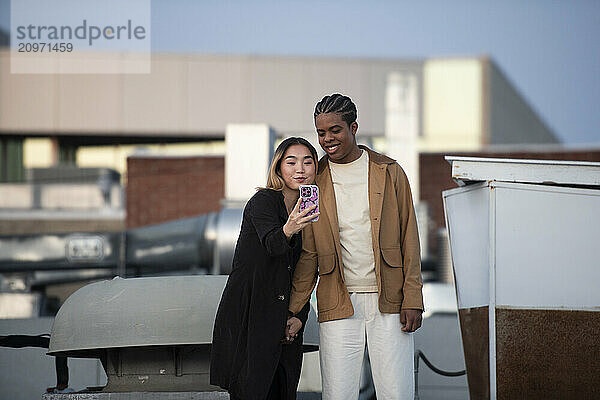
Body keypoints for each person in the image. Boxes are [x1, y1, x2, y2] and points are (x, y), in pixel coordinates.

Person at [287, 94, 424, 400]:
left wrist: (413, 296)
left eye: (335, 130)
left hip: (389, 300)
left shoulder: (389, 171)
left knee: (397, 393)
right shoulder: (313, 182)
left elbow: (409, 238)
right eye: (321, 133)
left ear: (354, 127)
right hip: (338, 299)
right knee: (338, 394)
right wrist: (294, 308)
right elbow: (308, 253)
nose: (327, 139)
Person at [210, 137, 320, 400]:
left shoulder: (312, 210)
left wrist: (299, 316)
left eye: (308, 162)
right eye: (291, 162)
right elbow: (272, 245)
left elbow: (304, 270)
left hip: (286, 315)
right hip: (252, 312)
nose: (300, 169)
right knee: (252, 389)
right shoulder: (263, 201)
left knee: (283, 388)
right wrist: (291, 227)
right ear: (279, 167)